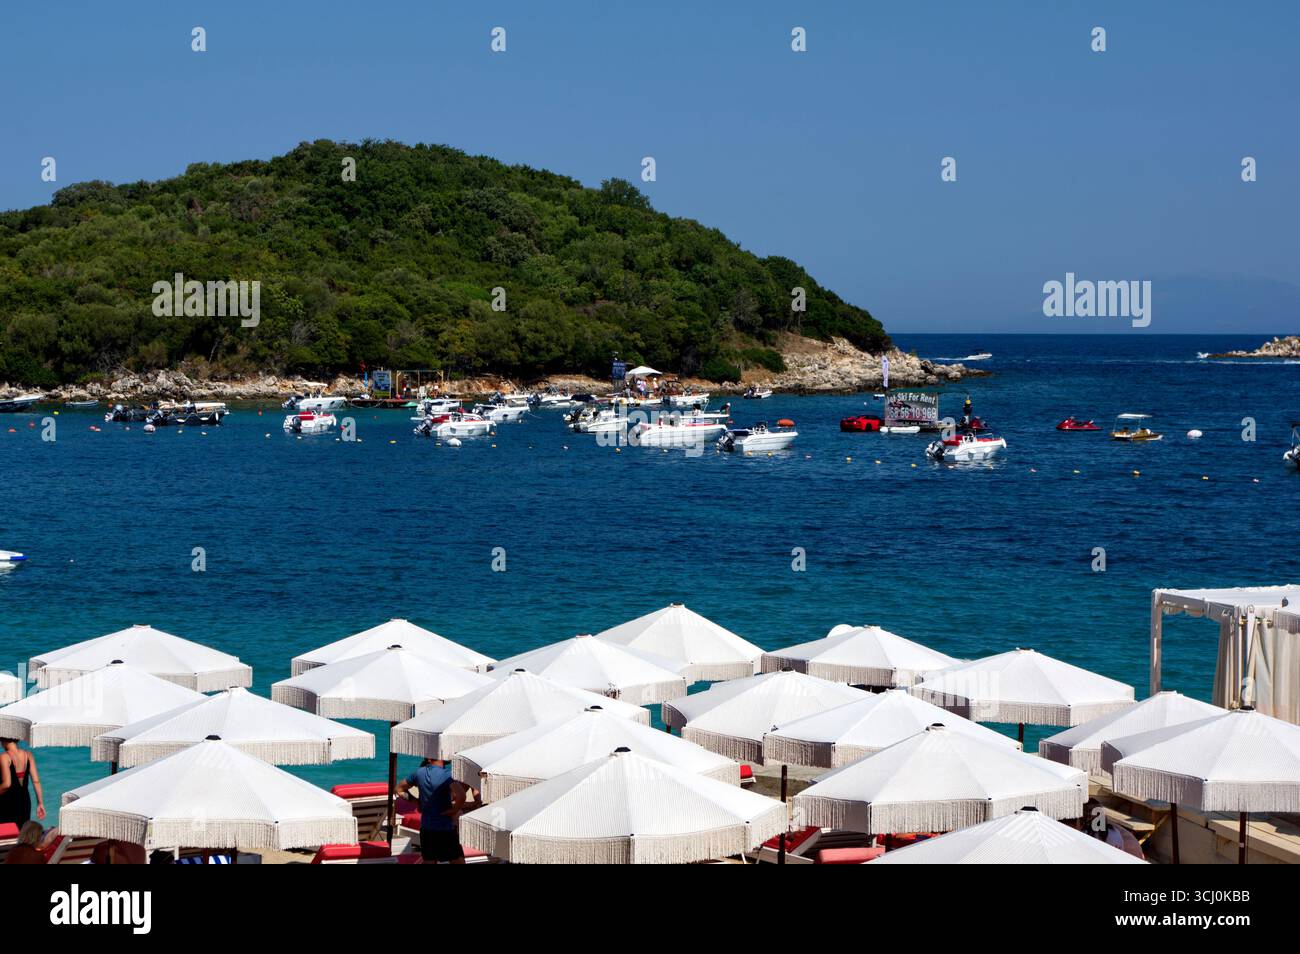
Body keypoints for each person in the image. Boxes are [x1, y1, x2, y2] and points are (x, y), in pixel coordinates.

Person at [396, 758, 469, 864]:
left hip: (427, 827)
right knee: (456, 859)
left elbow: (399, 789)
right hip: (445, 827)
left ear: (429, 759)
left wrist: (416, 802)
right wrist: (454, 810)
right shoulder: (447, 775)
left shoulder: (418, 773)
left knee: (429, 860)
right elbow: (461, 796)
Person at [0, 738, 44, 827]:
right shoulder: (28, 755)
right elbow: (36, 781)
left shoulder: (4, 757)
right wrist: (40, 803)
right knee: (22, 832)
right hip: (25, 801)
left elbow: (7, 784)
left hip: (8, 803)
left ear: (4, 741)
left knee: (7, 832)